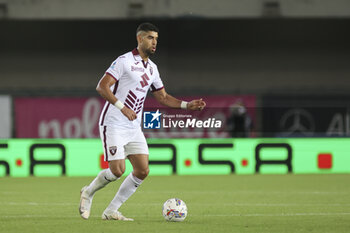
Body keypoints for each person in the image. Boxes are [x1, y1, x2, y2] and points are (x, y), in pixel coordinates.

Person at [79, 22, 206, 221]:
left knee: (142, 170)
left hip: (133, 126)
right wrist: (123, 108)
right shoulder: (124, 61)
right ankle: (88, 192)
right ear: (139, 39)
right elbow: (102, 87)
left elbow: (163, 97)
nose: (154, 42)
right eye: (150, 38)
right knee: (118, 171)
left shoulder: (153, 69)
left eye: (156, 38)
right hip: (113, 122)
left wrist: (186, 105)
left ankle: (111, 211)